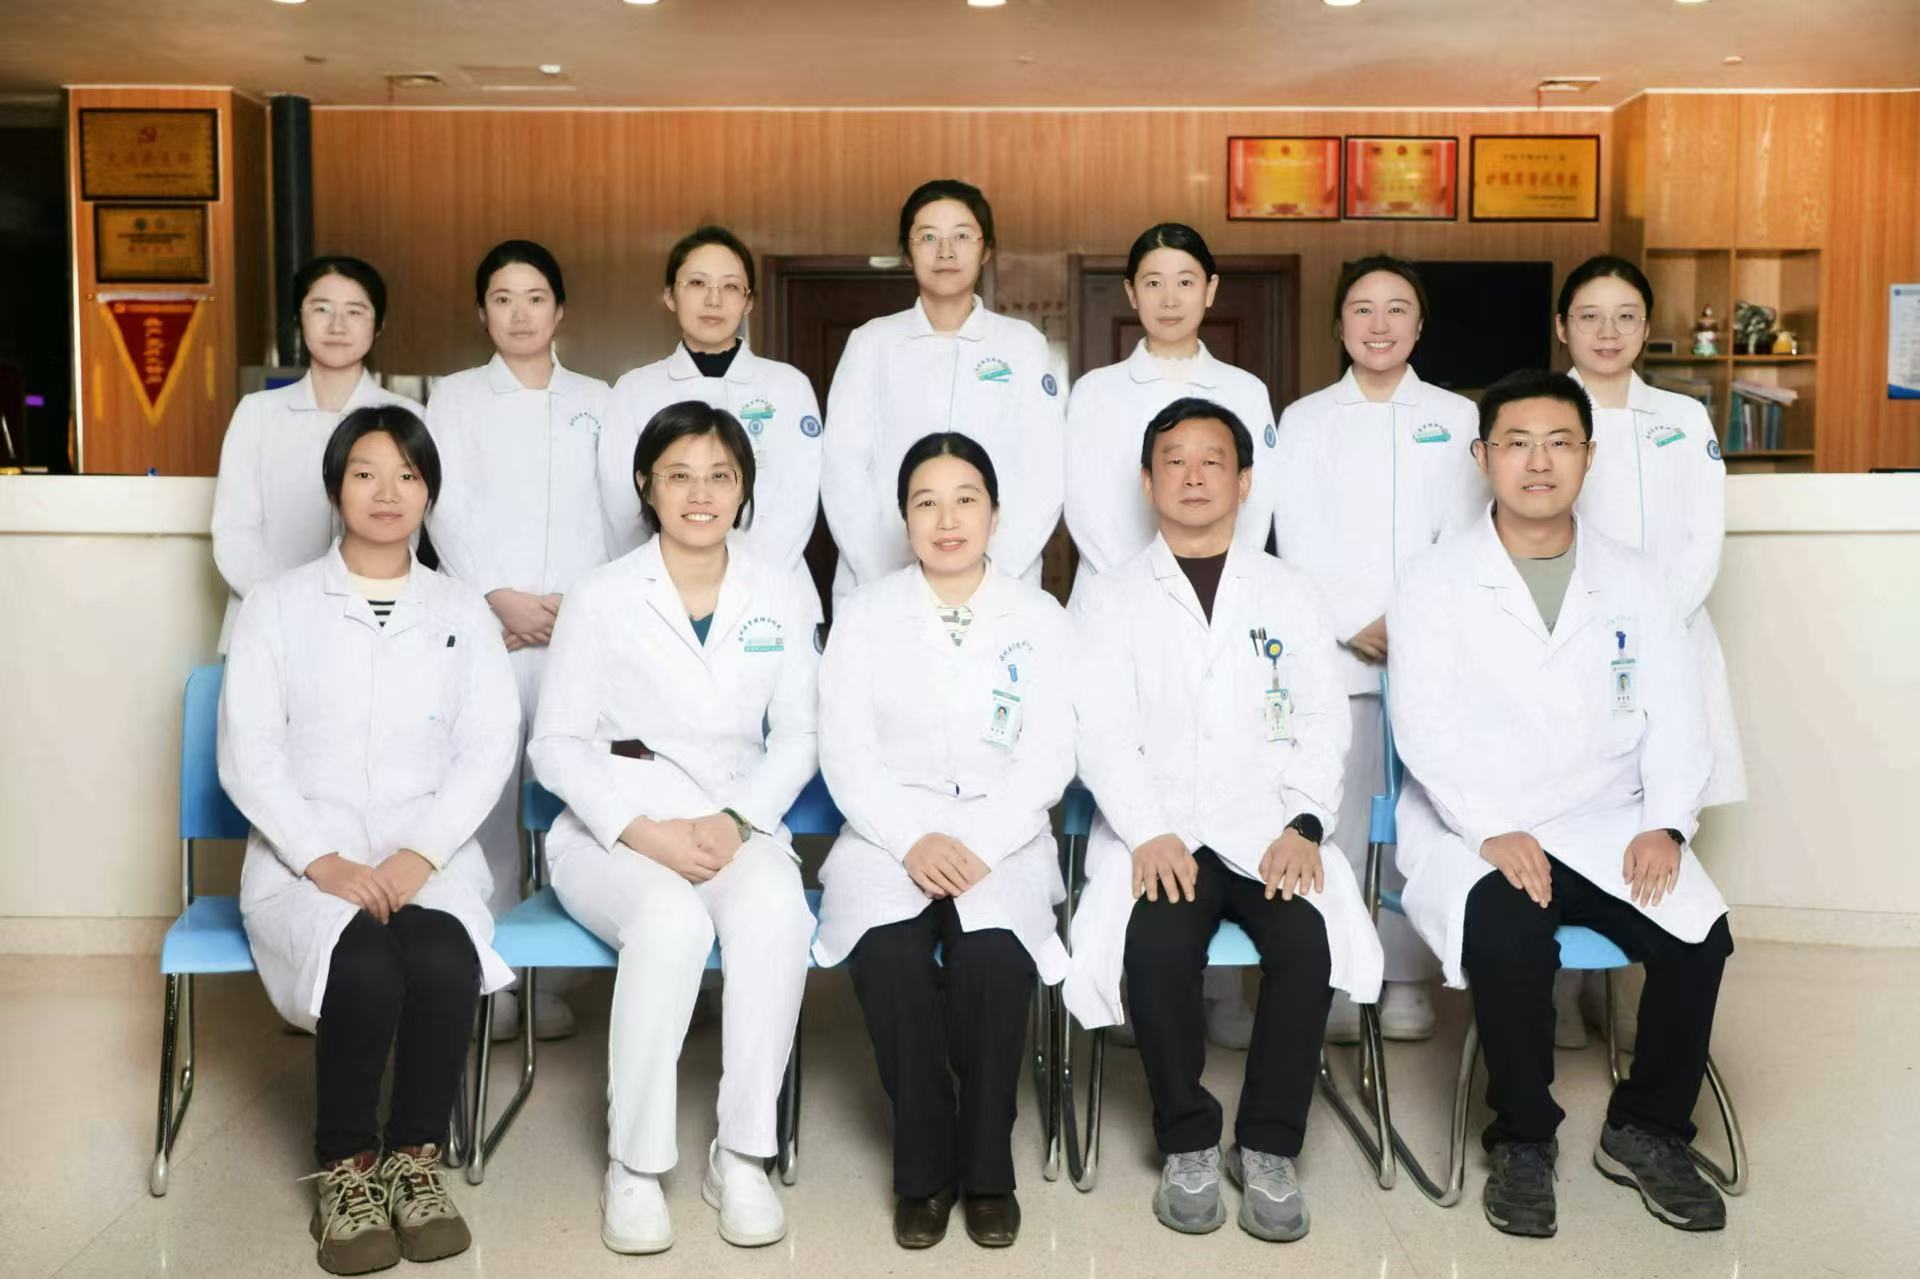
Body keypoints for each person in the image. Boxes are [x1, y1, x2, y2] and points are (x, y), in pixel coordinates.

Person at [1389, 369, 1734, 1240]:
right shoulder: (1433, 580)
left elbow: (1679, 716)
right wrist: (1489, 828)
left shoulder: (1637, 580)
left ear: (1589, 454)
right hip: (1477, 819)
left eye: (1558, 442)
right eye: (1517, 443)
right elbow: (1422, 727)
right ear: (1482, 457)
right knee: (1509, 932)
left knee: (1699, 933)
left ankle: (1647, 1128)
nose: (1538, 462)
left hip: (1609, 816)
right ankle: (1523, 1137)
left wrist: (1666, 822)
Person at [1066, 397, 1383, 1243]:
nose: (1195, 476)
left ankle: (1269, 1145)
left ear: (1244, 482)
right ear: (1148, 481)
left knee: (1305, 943)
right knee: (1156, 947)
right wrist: (1146, 827)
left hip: (1268, 825)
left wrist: (1305, 824)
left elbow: (1323, 719)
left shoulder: (1289, 590)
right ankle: (1189, 1142)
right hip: (1161, 828)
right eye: (1175, 460)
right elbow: (1099, 729)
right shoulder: (1110, 598)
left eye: (1214, 460)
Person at [220, 406, 519, 1275]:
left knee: (442, 953)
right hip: (304, 859)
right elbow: (249, 753)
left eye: (408, 475)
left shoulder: (461, 610)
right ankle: (347, 1170)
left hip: (425, 852)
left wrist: (418, 855)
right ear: (334, 488)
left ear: (429, 492)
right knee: (362, 960)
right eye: (365, 473)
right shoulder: (277, 606)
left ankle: (416, 1161)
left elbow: (488, 744)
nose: (388, 493)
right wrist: (324, 860)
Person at [529, 402, 820, 1254]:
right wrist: (644, 831)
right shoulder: (602, 594)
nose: (701, 494)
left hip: (733, 818)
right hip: (615, 829)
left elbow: (800, 734)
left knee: (777, 909)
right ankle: (634, 1164)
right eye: (680, 475)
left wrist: (737, 819)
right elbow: (554, 743)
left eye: (720, 476)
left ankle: (743, 1155)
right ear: (645, 485)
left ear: (744, 488)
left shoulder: (778, 591)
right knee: (670, 919)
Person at [814, 432, 1074, 1250]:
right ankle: (924, 1171)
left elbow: (1051, 754)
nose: (947, 518)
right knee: (890, 954)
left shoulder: (1040, 616)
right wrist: (911, 838)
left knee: (992, 960)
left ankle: (988, 1169)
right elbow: (844, 752)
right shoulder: (865, 615)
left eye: (966, 499)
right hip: (887, 830)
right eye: (926, 502)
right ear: (904, 518)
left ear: (996, 513)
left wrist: (982, 844)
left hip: (1005, 831)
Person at [1063, 222, 1283, 1049]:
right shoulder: (1095, 392)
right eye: (1152, 281)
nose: (1168, 297)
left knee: (1226, 779)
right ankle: (1138, 980)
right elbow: (1087, 502)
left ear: (1210, 291)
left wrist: (1202, 581)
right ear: (1131, 294)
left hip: (1221, 598)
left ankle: (1221, 991)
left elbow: (1255, 501)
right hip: (1118, 600)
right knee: (1130, 783)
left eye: (1185, 280)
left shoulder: (1246, 390)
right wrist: (1147, 586)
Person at [1269, 254, 1485, 1044]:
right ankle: (1335, 971)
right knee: (1341, 814)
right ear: (1339, 324)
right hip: (1338, 652)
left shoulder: (1458, 416)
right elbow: (1296, 534)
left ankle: (1405, 978)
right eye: (1363, 308)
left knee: (1421, 818)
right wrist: (1351, 619)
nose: (1380, 323)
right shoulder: (1305, 419)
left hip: (1433, 648)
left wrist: (1415, 619)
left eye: (1398, 308)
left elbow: (1467, 531)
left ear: (1420, 325)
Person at [1554, 254, 1745, 1049]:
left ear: (1646, 327)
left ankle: (1631, 989)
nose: (1608, 332)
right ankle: (1562, 989)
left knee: (1659, 814)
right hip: (1568, 645)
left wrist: (1654, 626)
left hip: (1672, 638)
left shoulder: (1683, 417)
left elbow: (1704, 537)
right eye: (1590, 316)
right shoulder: (1542, 411)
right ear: (1562, 327)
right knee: (1571, 810)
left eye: (1625, 316)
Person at [425, 238, 611, 1042]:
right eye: (502, 298)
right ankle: (490, 977)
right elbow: (443, 505)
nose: (520, 313)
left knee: (571, 801)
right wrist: (497, 596)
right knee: (485, 803)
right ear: (482, 312)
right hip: (488, 631)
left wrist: (577, 605)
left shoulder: (600, 399)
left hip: (577, 631)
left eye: (536, 297)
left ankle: (558, 975)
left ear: (560, 310)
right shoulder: (454, 398)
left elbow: (621, 512)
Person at [820, 179, 1063, 599]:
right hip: (881, 580)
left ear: (986, 250)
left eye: (962, 236)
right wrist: (887, 576)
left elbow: (1044, 469)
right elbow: (843, 469)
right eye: (929, 237)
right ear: (906, 252)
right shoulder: (871, 343)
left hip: (1001, 582)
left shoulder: (1022, 345)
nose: (945, 251)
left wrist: (991, 573)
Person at [212, 256, 422, 651]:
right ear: (299, 319)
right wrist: (293, 604)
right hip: (264, 623)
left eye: (355, 311)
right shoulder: (258, 414)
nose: (337, 325)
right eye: (321, 309)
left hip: (372, 625)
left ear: (378, 324)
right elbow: (234, 534)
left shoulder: (409, 418)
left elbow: (411, 529)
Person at [601, 226, 823, 569]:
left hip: (772, 579)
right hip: (661, 583)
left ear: (748, 302)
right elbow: (622, 508)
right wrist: (667, 578)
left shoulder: (789, 386)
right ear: (670, 296)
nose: (714, 300)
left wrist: (748, 580)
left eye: (730, 286)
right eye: (697, 283)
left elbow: (799, 500)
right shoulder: (634, 390)